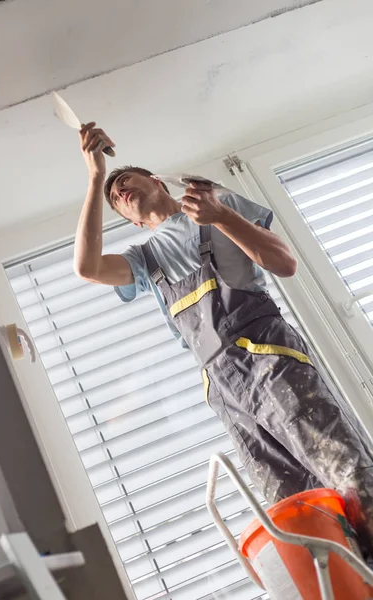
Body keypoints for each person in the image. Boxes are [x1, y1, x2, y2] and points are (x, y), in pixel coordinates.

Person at [74, 122, 373, 555]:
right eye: (114, 195)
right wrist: (96, 176)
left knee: (344, 469)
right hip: (223, 389)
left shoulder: (215, 206)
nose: (119, 190)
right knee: (295, 507)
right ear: (132, 223)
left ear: (156, 182)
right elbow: (86, 267)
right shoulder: (144, 259)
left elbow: (283, 263)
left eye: (125, 179)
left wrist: (221, 216)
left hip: (268, 358)